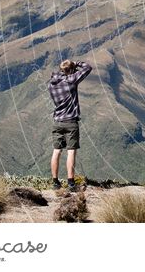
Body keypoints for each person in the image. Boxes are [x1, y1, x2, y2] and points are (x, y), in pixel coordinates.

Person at [48, 59, 92, 192]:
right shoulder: (71, 80)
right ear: (71, 71)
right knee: (71, 152)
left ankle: (55, 183)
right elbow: (88, 67)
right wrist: (77, 63)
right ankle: (71, 183)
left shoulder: (51, 84)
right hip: (71, 122)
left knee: (56, 151)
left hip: (57, 121)